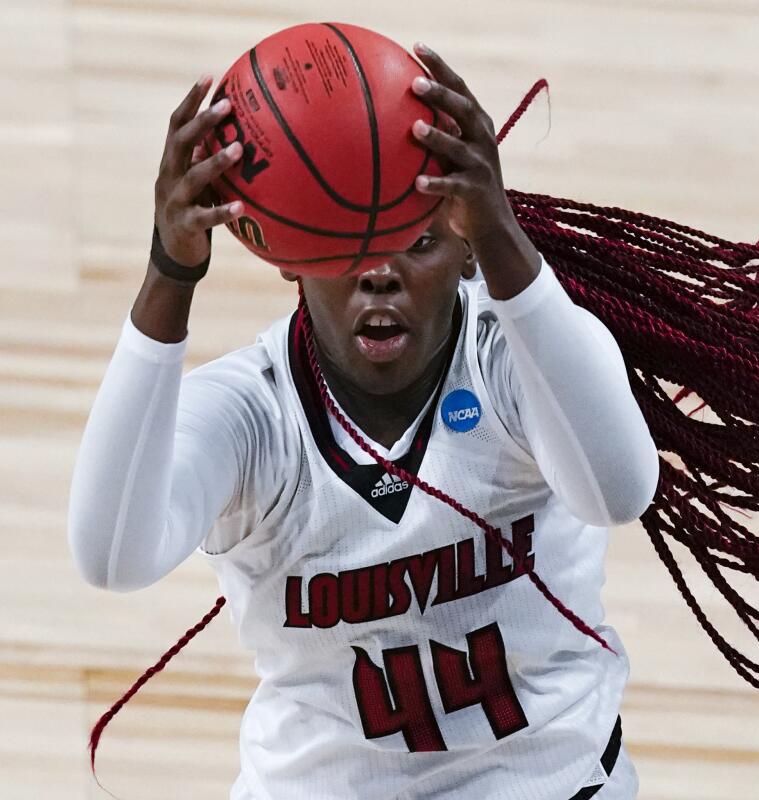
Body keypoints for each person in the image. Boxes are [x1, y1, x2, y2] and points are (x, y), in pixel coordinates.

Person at [68, 43, 658, 800]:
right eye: (351, 245)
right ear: (289, 253)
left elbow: (621, 490)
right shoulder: (253, 414)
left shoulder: (516, 364)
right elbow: (111, 555)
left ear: (466, 253)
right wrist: (169, 271)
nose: (381, 271)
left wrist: (502, 232)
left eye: (418, 242)